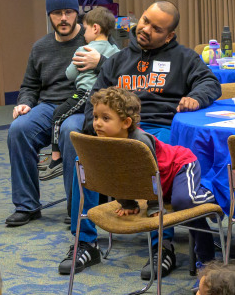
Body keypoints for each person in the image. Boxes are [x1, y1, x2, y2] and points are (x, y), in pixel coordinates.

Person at [59, 2, 220, 276]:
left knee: (149, 157)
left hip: (159, 127)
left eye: (156, 28)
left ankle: (162, 248)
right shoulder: (118, 59)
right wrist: (93, 134)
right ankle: (84, 243)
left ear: (169, 36)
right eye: (145, 20)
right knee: (84, 159)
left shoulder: (184, 58)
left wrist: (195, 97)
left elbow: (210, 83)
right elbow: (95, 98)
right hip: (118, 131)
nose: (145, 29)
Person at [87, 87, 217, 278]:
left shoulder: (140, 142)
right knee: (189, 211)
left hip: (181, 166)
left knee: (185, 203)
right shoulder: (106, 141)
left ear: (126, 122)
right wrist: (127, 203)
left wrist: (155, 205)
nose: (97, 123)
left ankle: (215, 195)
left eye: (105, 118)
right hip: (164, 182)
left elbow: (151, 175)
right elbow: (116, 176)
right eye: (96, 117)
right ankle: (207, 261)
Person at [4, 0, 89, 225]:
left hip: (82, 105)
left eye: (68, 12)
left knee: (70, 131)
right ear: (49, 15)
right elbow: (29, 86)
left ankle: (76, 207)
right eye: (57, 13)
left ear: (76, 13)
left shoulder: (92, 40)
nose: (63, 18)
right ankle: (27, 205)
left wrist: (100, 60)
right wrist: (24, 103)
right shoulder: (40, 47)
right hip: (50, 106)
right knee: (19, 129)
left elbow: (116, 69)